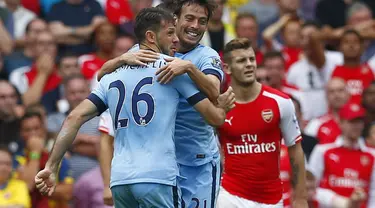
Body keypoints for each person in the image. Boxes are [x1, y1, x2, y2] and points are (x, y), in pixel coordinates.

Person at [34, 7, 234, 208]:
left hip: (120, 181)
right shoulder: (171, 71)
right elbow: (215, 119)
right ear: (151, 36)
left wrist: (51, 166)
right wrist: (223, 108)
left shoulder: (113, 74)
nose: (176, 39)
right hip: (157, 178)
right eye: (170, 33)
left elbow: (73, 118)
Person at [97, 1, 229, 207]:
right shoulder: (143, 51)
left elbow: (214, 89)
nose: (195, 26)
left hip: (197, 163)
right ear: (174, 20)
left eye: (202, 21)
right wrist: (120, 59)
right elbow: (102, 75)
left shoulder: (207, 56)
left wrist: (188, 68)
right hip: (159, 167)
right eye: (190, 18)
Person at [216, 38, 308, 208]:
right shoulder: (220, 105)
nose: (249, 64)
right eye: (241, 60)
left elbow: (296, 151)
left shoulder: (281, 102)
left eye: (251, 59)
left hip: (271, 199)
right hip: (230, 195)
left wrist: (301, 197)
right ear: (227, 68)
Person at [309, 102, 375, 207]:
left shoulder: (372, 155)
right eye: (352, 122)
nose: (356, 126)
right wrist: (339, 202)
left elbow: (373, 193)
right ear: (341, 123)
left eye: (359, 122)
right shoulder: (323, 150)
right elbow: (310, 188)